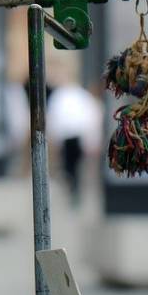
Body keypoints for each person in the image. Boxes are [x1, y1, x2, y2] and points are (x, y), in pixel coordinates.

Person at [46, 78, 102, 206]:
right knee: (72, 166)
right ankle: (73, 187)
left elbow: (54, 116)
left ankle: (74, 187)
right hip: (72, 136)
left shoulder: (65, 96)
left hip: (72, 136)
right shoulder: (78, 96)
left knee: (71, 165)